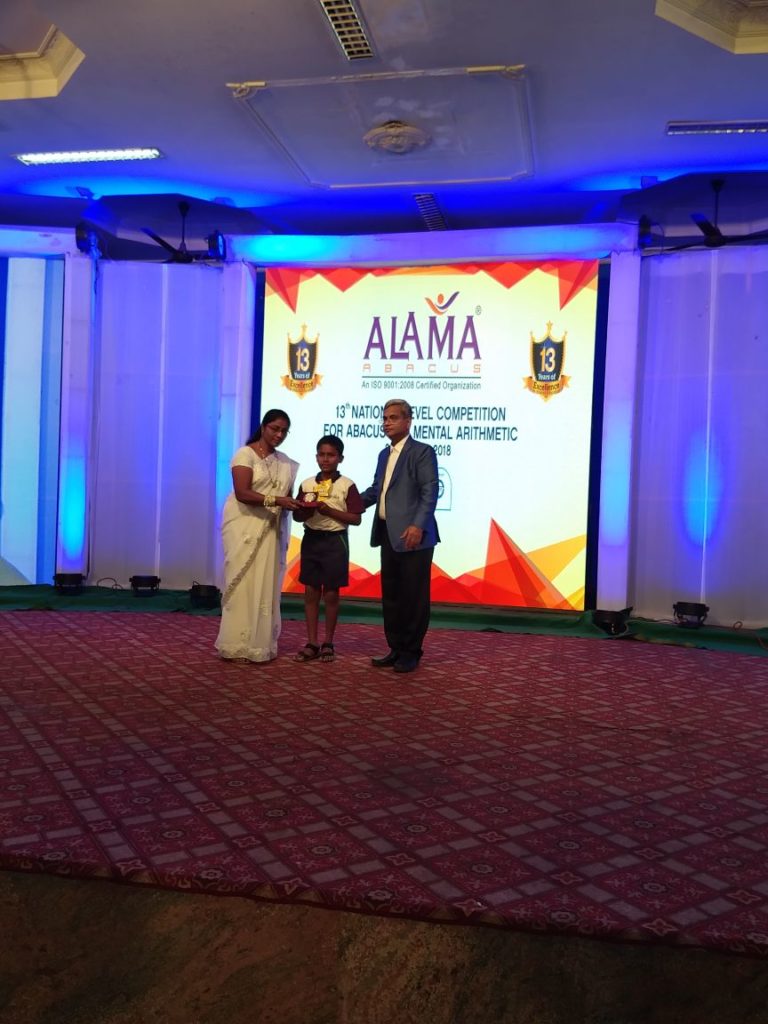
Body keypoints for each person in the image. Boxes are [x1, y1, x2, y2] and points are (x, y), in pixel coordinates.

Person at [360, 399, 439, 674]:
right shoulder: (384, 454)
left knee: (413, 597)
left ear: (408, 421)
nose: (387, 422)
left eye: (393, 417)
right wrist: (346, 502)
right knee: (392, 595)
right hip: (388, 534)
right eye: (384, 418)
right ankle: (395, 648)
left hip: (413, 536)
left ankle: (411, 651)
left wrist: (418, 525)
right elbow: (376, 490)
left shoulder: (422, 452)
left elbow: (430, 491)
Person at [215, 409, 300, 663]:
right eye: (275, 428)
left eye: (284, 431)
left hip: (270, 530)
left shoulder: (285, 462)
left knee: (265, 584)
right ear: (263, 427)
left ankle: (260, 645)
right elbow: (242, 493)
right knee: (243, 584)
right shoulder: (245, 454)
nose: (279, 434)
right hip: (243, 527)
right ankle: (235, 644)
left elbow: (288, 498)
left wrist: (300, 504)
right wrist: (277, 500)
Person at [292, 435, 363, 663]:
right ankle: (312, 642)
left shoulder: (347, 485)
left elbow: (356, 518)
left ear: (340, 458)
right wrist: (306, 510)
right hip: (311, 539)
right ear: (316, 457)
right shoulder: (307, 484)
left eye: (331, 455)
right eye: (321, 454)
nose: (325, 459)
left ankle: (328, 642)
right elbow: (296, 516)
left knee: (331, 593)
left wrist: (328, 510)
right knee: (311, 591)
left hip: (335, 541)